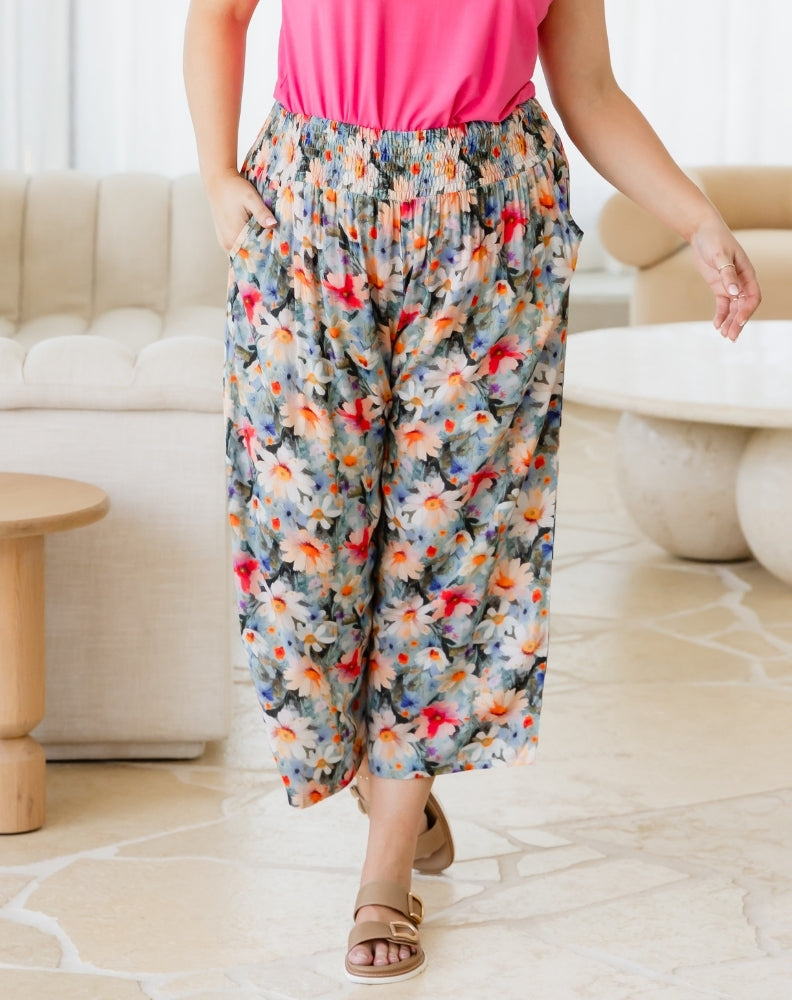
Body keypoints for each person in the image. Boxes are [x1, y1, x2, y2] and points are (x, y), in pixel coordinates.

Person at [183, 0, 761, 985]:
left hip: (489, 223)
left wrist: (697, 215)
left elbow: (587, 88)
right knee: (299, 552)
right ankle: (385, 774)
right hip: (311, 208)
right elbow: (218, 13)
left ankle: (387, 866)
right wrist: (216, 177)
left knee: (447, 558)